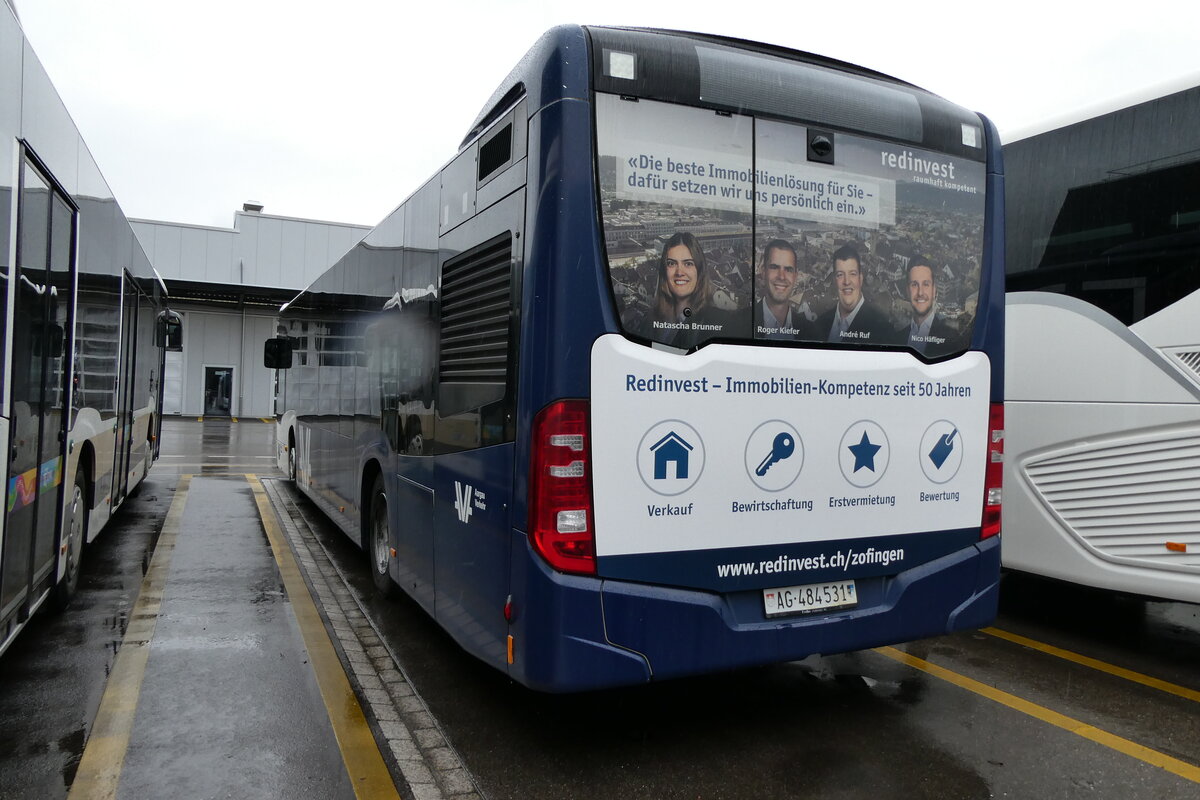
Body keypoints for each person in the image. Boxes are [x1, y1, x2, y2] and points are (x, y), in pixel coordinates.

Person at [640, 232, 740, 347]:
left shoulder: (722, 322)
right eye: (671, 263)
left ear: (699, 270)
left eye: (688, 264)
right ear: (664, 271)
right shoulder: (649, 321)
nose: (679, 272)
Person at [815, 244, 894, 344]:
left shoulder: (883, 330)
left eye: (852, 274)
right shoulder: (820, 324)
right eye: (840, 275)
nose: (847, 281)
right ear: (834, 280)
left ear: (860, 279)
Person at [753, 239, 814, 340]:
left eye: (788, 269)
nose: (781, 277)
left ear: (795, 276)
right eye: (774, 267)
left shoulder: (811, 331)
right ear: (763, 272)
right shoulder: (740, 322)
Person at [898, 260, 962, 356]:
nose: (920, 292)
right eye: (914, 285)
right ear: (907, 291)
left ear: (934, 290)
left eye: (926, 284)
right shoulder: (897, 338)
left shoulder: (951, 339)